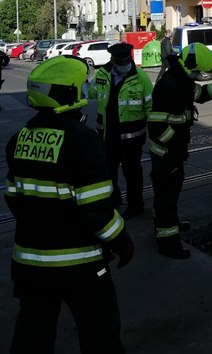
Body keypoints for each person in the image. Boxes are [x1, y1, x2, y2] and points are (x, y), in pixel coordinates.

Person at [6, 55, 134, 354]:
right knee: (100, 335)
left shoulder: (18, 139)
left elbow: (13, 198)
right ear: (68, 95)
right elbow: (96, 211)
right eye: (81, 88)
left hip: (29, 265)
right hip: (82, 267)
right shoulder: (84, 141)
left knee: (32, 337)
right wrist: (123, 241)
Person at [148, 43, 212, 259]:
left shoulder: (182, 80)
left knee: (172, 192)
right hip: (165, 152)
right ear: (191, 67)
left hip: (172, 150)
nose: (200, 77)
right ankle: (168, 242)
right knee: (166, 196)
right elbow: (157, 125)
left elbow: (201, 93)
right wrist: (174, 149)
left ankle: (171, 224)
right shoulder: (171, 85)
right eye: (199, 72)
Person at [86, 43, 153, 219]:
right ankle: (114, 200)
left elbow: (151, 108)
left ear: (129, 58)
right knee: (108, 171)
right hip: (108, 135)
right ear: (113, 61)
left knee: (132, 173)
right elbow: (90, 93)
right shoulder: (103, 75)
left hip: (132, 138)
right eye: (119, 61)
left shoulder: (141, 78)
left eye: (125, 60)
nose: (123, 64)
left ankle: (136, 205)